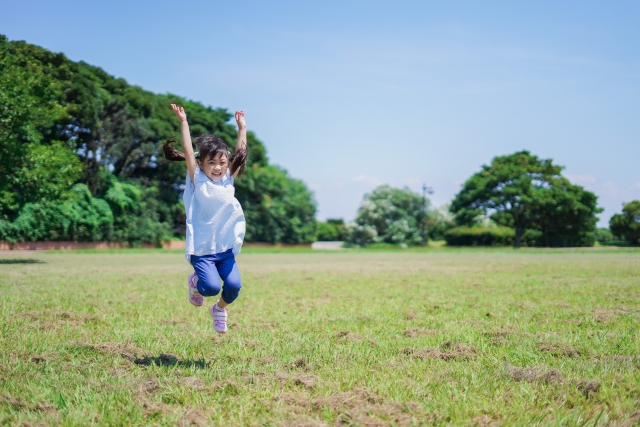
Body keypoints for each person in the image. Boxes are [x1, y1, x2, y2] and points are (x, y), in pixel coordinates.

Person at [163, 104, 248, 333]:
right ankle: (195, 283)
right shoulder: (197, 181)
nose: (218, 167)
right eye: (211, 163)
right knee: (209, 287)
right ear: (202, 165)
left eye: (222, 162)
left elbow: (240, 153)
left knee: (233, 287)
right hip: (202, 249)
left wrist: (242, 128)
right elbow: (189, 152)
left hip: (224, 248)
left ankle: (219, 309)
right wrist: (183, 122)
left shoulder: (228, 180)